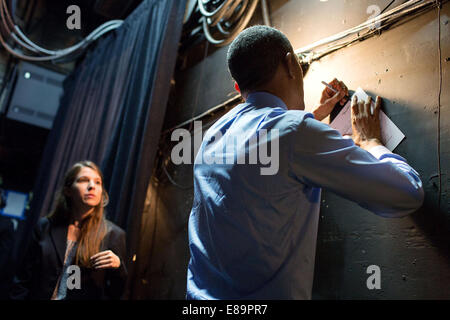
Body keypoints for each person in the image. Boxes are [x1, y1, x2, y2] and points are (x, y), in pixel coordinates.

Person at [186, 26, 424, 300]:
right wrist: (370, 141)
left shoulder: (211, 139)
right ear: (291, 63)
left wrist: (312, 117)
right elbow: (407, 193)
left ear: (239, 87)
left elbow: (262, 154)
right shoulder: (293, 132)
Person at [10, 161, 127, 300]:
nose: (92, 186)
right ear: (68, 190)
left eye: (98, 182)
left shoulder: (113, 234)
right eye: (84, 180)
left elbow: (116, 293)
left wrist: (118, 267)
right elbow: (23, 280)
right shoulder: (45, 226)